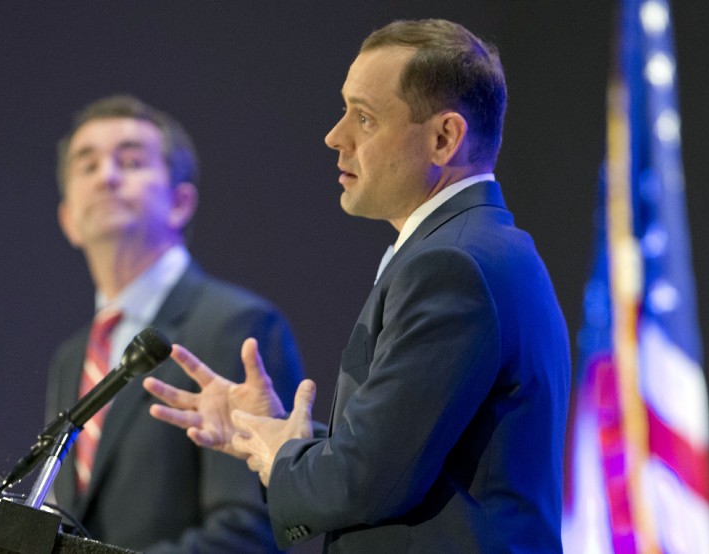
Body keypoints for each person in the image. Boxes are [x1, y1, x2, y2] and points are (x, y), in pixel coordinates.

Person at [145, 19, 570, 553]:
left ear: (444, 138)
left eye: (364, 117)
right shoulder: (480, 247)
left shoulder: (451, 265)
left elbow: (368, 481)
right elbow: (410, 460)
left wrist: (284, 456)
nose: (335, 136)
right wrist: (268, 431)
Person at [46, 94, 304, 553]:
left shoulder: (235, 325)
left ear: (180, 203)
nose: (107, 176)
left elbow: (250, 530)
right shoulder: (71, 359)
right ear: (68, 219)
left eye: (130, 161)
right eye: (87, 166)